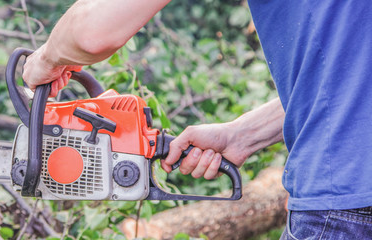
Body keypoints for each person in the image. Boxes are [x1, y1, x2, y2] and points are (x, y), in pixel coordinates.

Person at [22, 0, 372, 239]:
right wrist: (244, 134)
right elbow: (350, 76)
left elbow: (92, 32)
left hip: (344, 205)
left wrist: (48, 58)